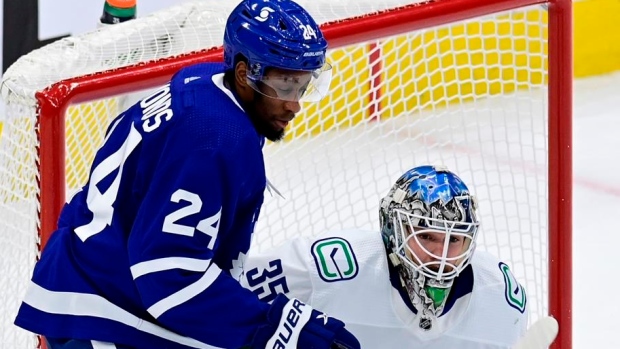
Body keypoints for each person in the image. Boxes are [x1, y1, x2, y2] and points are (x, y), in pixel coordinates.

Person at [13, 1, 360, 349]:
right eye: (284, 86)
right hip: (108, 312)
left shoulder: (206, 82)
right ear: (243, 74)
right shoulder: (215, 137)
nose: (294, 104)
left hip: (90, 278)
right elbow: (167, 275)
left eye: (302, 86)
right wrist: (268, 330)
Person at [241, 165, 529, 348]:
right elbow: (228, 294)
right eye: (426, 236)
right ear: (393, 228)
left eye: (454, 240)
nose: (440, 256)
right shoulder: (331, 267)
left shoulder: (501, 297)